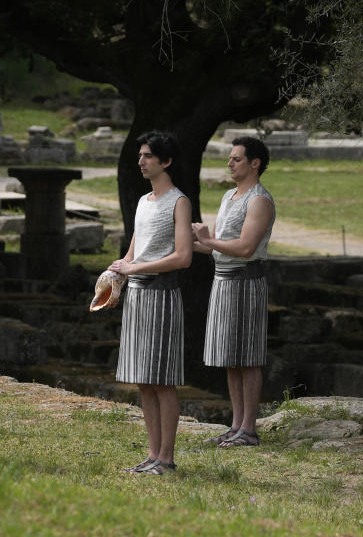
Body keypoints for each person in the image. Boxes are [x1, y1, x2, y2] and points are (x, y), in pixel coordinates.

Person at [108, 131, 193, 475]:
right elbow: (134, 249)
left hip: (162, 295)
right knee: (144, 379)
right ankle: (153, 454)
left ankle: (167, 459)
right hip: (138, 295)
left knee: (162, 379)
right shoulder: (143, 202)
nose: (140, 161)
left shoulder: (179, 201)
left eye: (147, 156)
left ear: (166, 161)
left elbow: (183, 257)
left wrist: (137, 267)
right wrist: (116, 273)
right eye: (140, 155)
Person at [192, 136, 275, 448]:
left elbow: (245, 247)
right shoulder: (229, 196)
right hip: (223, 280)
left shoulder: (260, 200)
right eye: (230, 158)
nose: (229, 163)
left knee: (248, 355)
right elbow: (217, 244)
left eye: (236, 159)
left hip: (246, 280)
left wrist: (208, 241)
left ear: (254, 164)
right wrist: (191, 239)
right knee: (230, 356)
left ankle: (249, 430)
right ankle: (236, 425)